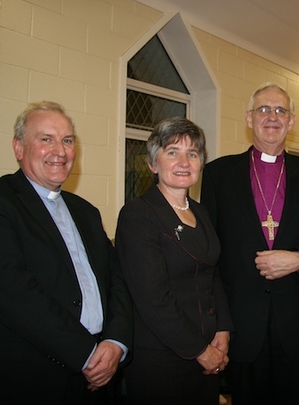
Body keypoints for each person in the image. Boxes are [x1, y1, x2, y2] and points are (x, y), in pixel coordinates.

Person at [0, 101, 133, 404]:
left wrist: (115, 342)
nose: (60, 151)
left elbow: (116, 280)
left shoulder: (85, 212)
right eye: (46, 139)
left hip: (97, 376)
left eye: (67, 140)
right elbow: (10, 292)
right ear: (19, 148)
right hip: (24, 378)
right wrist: (87, 354)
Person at [200, 83, 299, 405]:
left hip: (297, 323)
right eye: (263, 109)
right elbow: (211, 255)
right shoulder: (218, 174)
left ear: (291, 121)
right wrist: (217, 322)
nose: (272, 117)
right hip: (241, 323)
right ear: (249, 118)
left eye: (281, 111)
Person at [115, 117, 232, 404]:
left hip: (208, 349)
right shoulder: (138, 215)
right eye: (172, 152)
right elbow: (152, 299)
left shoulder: (201, 213)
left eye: (192, 153)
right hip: (162, 358)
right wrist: (201, 351)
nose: (184, 161)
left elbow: (212, 272)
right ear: (153, 164)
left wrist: (223, 329)